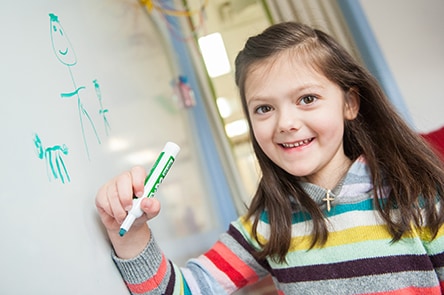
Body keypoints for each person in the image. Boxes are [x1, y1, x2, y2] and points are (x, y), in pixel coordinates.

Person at [95, 22, 444, 294]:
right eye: (264, 108)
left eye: (307, 99)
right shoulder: (266, 224)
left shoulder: (417, 196)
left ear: (349, 103)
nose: (286, 123)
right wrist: (131, 235)